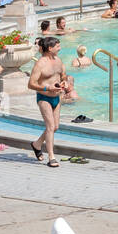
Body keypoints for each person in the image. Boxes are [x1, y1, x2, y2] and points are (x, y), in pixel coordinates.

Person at [28, 36, 67, 167]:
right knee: (50, 127)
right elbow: (31, 84)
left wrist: (64, 82)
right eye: (57, 46)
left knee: (55, 127)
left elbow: (63, 74)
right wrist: (47, 87)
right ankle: (51, 157)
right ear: (50, 48)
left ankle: (36, 144)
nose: (60, 48)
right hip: (44, 98)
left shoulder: (58, 60)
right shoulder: (40, 63)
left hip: (57, 97)